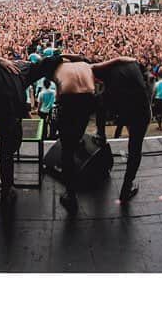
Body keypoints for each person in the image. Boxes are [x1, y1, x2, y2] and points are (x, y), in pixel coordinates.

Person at [0, 54, 60, 208]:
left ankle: (6, 189)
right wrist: (66, 57)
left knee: (5, 150)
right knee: (9, 146)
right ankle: (7, 187)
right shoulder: (27, 69)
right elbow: (49, 61)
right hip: (10, 100)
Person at [91, 56, 151, 204]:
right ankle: (126, 189)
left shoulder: (110, 79)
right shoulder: (129, 66)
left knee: (99, 102)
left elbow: (91, 66)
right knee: (135, 149)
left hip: (133, 110)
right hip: (141, 111)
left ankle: (101, 134)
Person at [50, 58, 99, 215]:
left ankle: (71, 196)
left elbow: (58, 98)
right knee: (79, 129)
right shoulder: (85, 65)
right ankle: (78, 138)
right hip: (89, 99)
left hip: (69, 100)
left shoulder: (58, 69)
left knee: (67, 151)